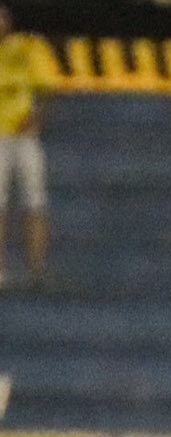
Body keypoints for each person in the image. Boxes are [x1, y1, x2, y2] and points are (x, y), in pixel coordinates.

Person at [0, 4, 51, 287]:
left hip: (24, 137)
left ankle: (36, 270)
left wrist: (37, 120)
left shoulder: (28, 49)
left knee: (35, 202)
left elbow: (48, 89)